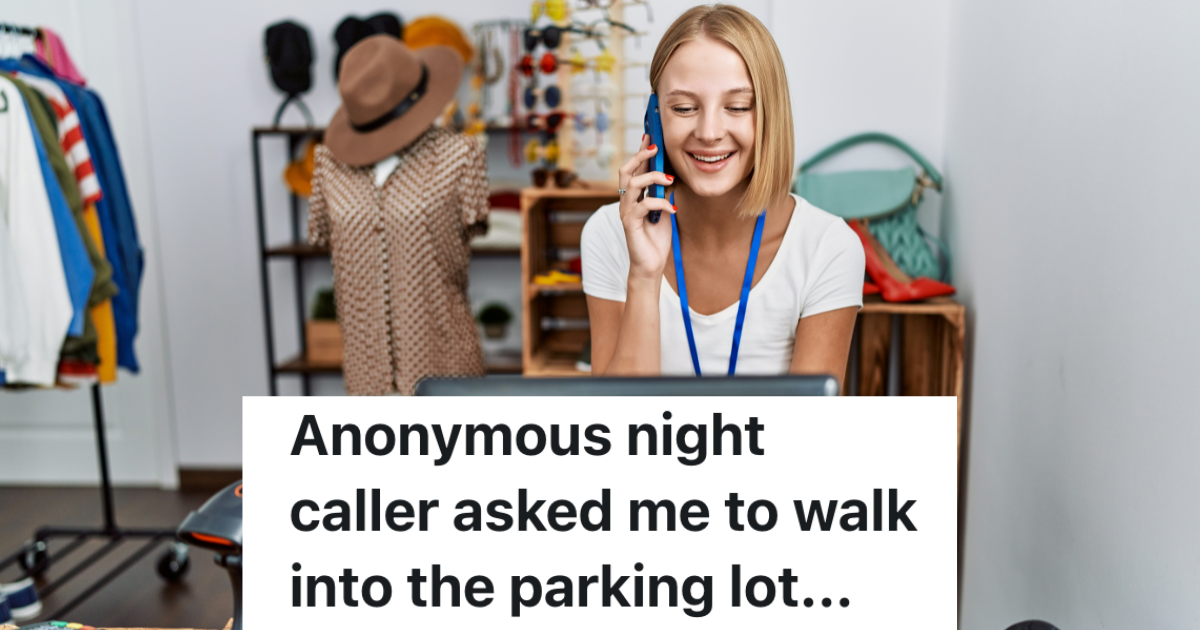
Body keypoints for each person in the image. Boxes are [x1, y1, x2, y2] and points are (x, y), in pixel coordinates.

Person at [581, 4, 865, 379]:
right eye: (684, 108)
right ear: (654, 118)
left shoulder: (828, 248)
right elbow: (617, 415)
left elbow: (809, 417)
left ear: (771, 116)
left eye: (737, 106)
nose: (709, 132)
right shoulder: (608, 234)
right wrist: (645, 276)